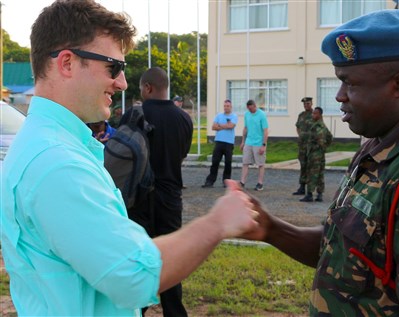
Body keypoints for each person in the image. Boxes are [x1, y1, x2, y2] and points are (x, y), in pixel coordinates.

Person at [0, 1, 258, 315]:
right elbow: (133, 276)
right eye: (113, 67)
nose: (122, 82)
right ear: (66, 63)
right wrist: (217, 223)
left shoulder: (43, 143)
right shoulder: (58, 162)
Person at [244, 9, 399, 317]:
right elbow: (341, 247)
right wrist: (269, 228)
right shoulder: (380, 147)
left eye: (351, 84)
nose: (340, 96)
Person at [126, 67, 193, 317]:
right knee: (170, 259)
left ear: (147, 88)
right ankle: (174, 311)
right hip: (171, 198)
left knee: (139, 259)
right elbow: (182, 155)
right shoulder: (184, 119)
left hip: (138, 200)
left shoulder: (135, 115)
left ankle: (136, 310)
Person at [202, 99, 238, 188]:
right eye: (225, 106)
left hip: (229, 143)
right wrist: (226, 125)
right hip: (219, 141)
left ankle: (226, 182)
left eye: (228, 106)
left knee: (228, 163)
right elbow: (213, 127)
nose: (226, 108)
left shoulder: (234, 116)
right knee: (215, 162)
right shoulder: (219, 115)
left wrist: (220, 125)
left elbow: (231, 126)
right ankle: (210, 181)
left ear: (231, 107)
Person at [299, 107, 332, 203]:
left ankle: (309, 194)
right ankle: (319, 194)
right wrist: (325, 147)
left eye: (315, 114)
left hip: (314, 154)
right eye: (313, 113)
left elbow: (322, 139)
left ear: (319, 115)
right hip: (320, 154)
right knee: (320, 174)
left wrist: (321, 147)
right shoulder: (322, 125)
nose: (313, 115)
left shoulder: (317, 127)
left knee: (312, 174)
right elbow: (330, 137)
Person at [240, 99, 269, 191]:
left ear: (255, 106)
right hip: (249, 142)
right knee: (245, 162)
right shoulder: (247, 114)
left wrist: (263, 145)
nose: (250, 110)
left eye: (251, 109)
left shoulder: (262, 115)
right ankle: (242, 182)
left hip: (258, 143)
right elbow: (245, 128)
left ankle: (260, 183)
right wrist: (243, 141)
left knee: (260, 164)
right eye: (248, 109)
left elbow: (265, 131)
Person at [293, 97, 314, 196]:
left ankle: (310, 190)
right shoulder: (301, 115)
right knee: (303, 166)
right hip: (302, 145)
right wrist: (300, 135)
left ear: (311, 103)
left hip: (311, 146)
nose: (306, 105)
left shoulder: (315, 114)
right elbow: (298, 127)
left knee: (311, 167)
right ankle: (302, 187)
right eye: (305, 104)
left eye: (308, 104)